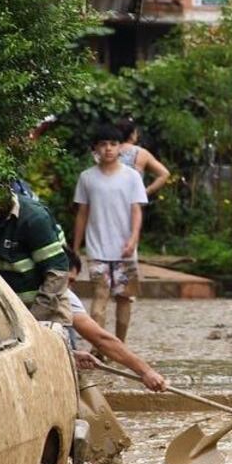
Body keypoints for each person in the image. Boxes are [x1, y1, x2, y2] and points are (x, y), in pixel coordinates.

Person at [73, 124, 149, 344]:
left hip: (125, 249)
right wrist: (76, 247)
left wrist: (133, 238)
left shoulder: (132, 177)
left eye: (113, 144)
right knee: (100, 297)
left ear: (120, 148)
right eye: (103, 144)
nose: (108, 149)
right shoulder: (87, 178)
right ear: (95, 148)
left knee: (125, 299)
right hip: (97, 249)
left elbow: (137, 210)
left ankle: (120, 345)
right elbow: (81, 213)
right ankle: (101, 347)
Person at [63, 249, 167, 392]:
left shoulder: (57, 291)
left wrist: (70, 354)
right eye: (68, 280)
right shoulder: (63, 295)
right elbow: (101, 339)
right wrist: (146, 372)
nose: (69, 287)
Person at [0, 189, 72, 325]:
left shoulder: (33, 218)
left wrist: (33, 321)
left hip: (44, 317)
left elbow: (57, 273)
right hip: (2, 319)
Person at [114, 117, 171, 198]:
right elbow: (164, 174)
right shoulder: (141, 153)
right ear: (132, 134)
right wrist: (146, 192)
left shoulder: (108, 151)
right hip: (132, 201)